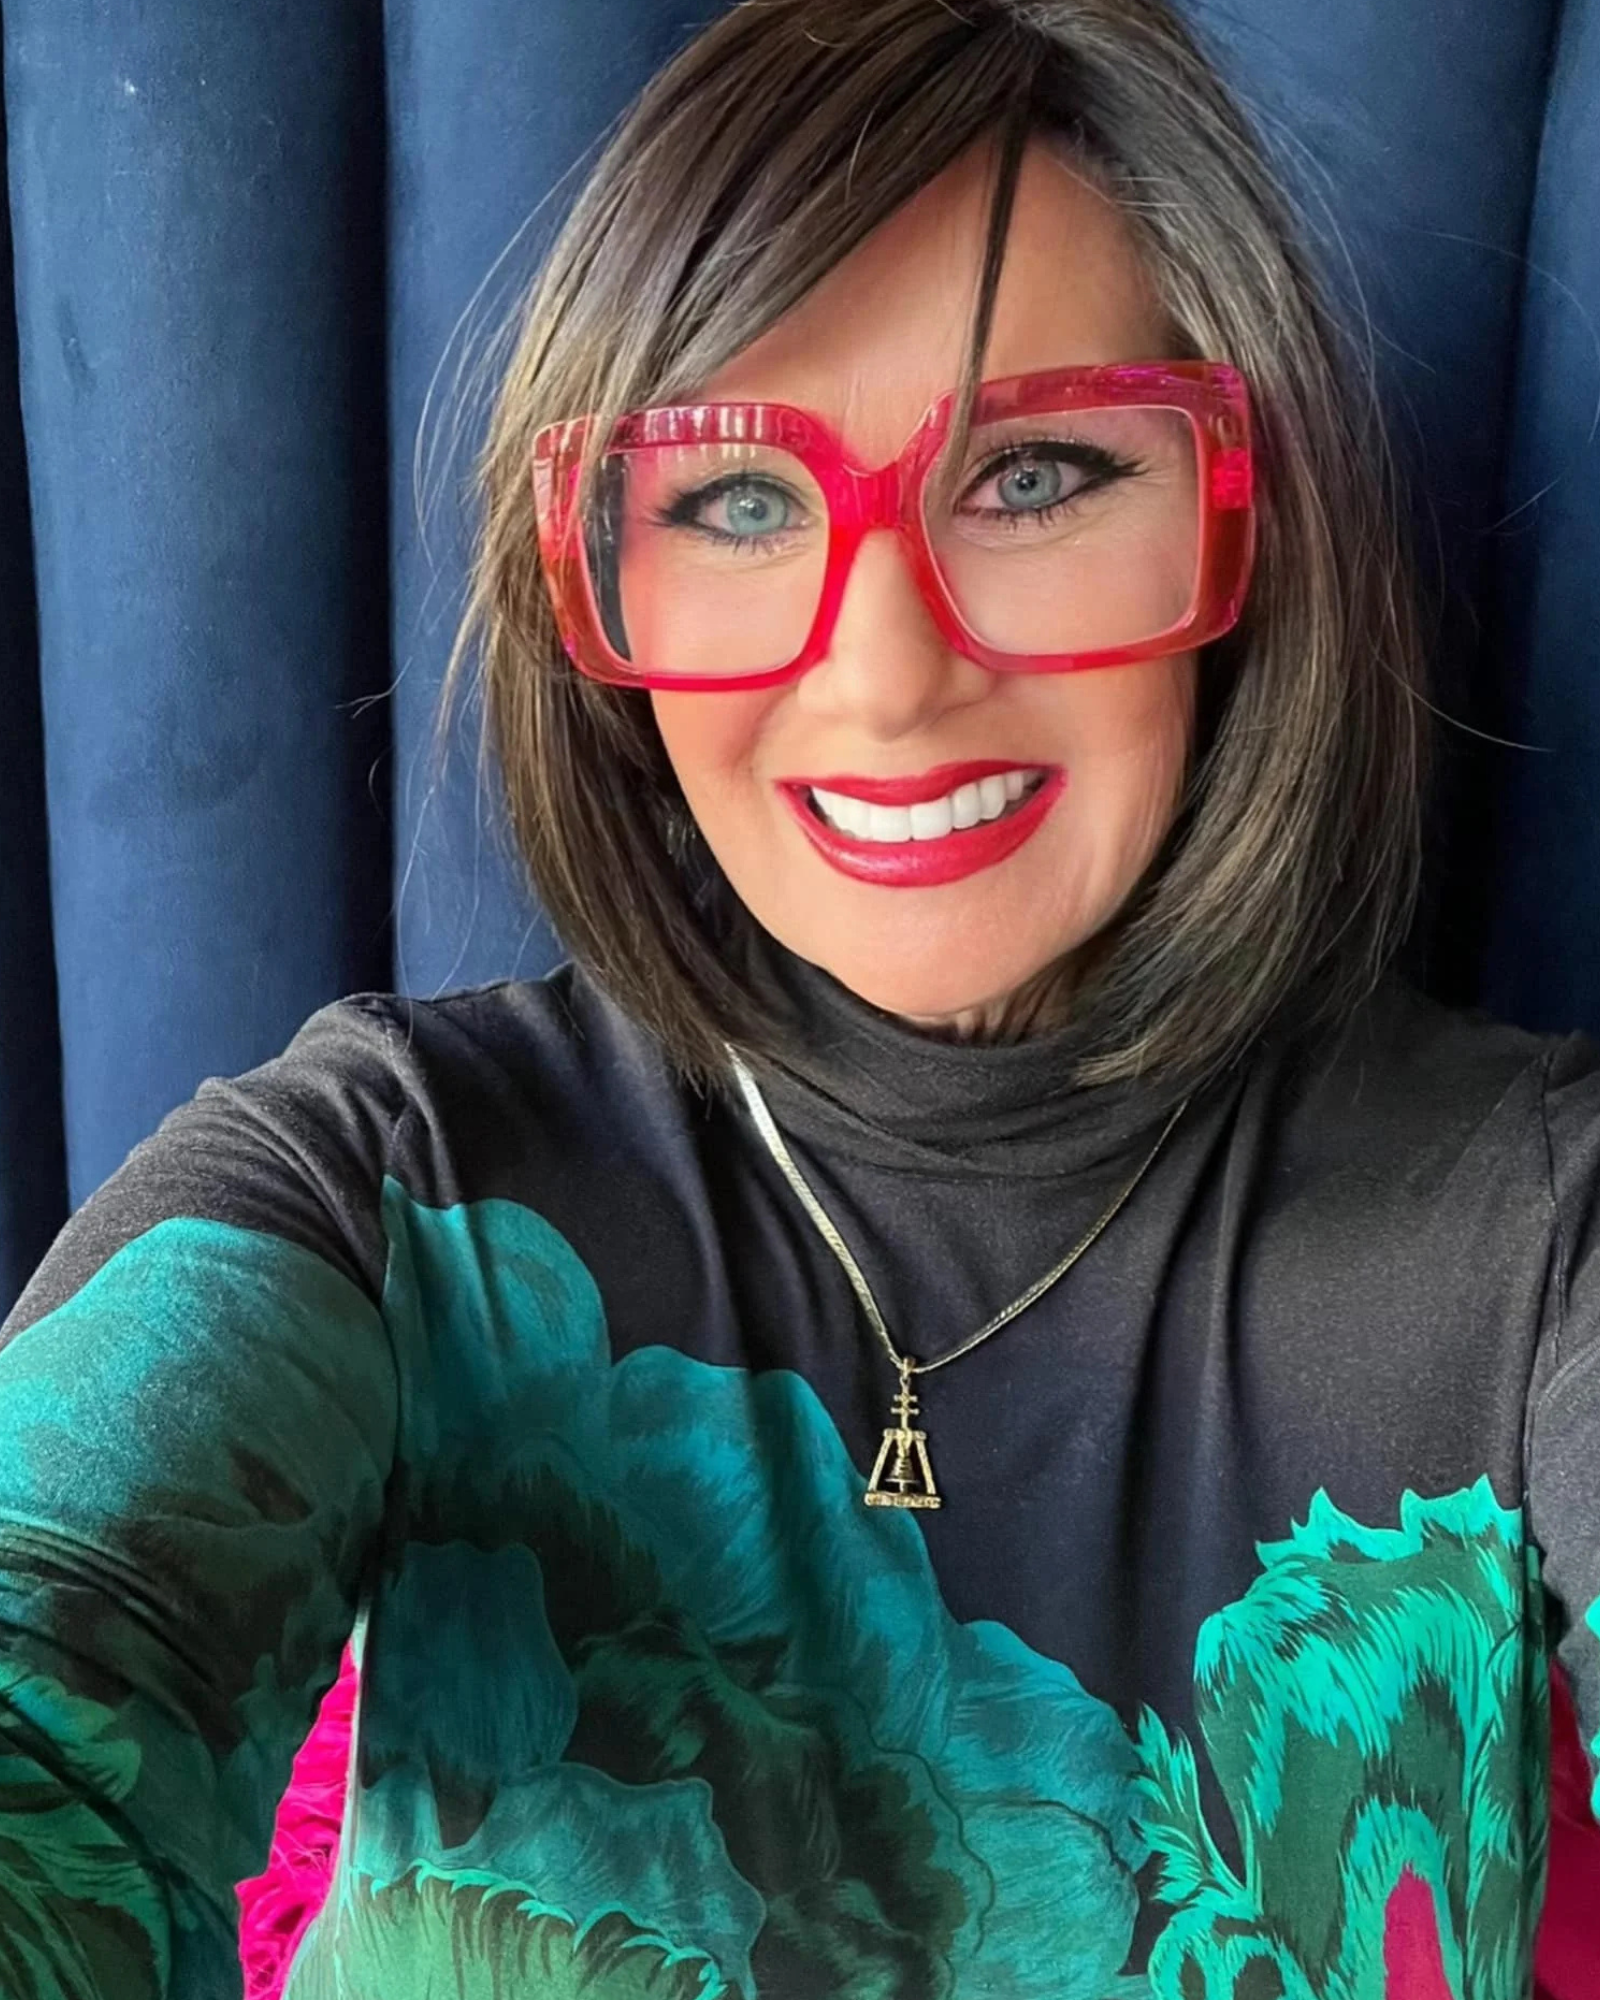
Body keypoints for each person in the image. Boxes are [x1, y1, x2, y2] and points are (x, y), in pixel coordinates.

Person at [1, 1, 1595, 1994]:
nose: (888, 675)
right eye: (739, 502)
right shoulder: (386, 1178)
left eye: (1033, 475)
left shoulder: (1541, 1227)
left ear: (1235, 520)